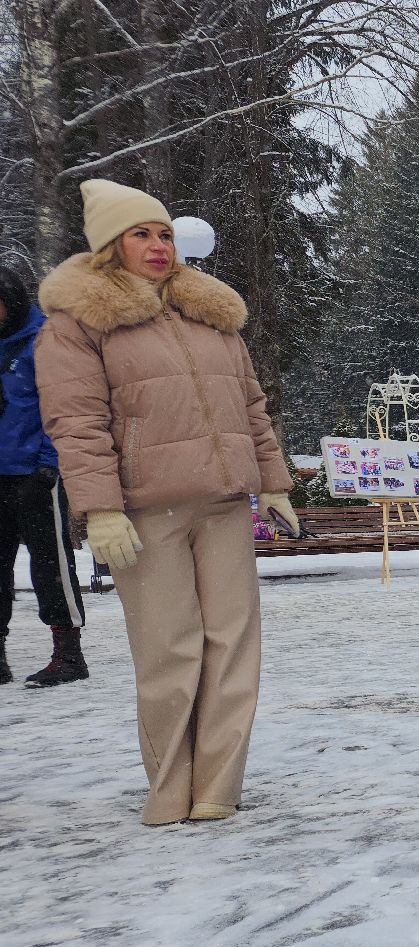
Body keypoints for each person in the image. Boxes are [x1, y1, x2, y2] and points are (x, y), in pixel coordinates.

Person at [35, 178, 296, 824]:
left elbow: (252, 406)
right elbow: (77, 423)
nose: (158, 246)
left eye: (164, 234)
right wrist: (100, 507)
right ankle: (171, 789)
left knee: (232, 646)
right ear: (109, 245)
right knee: (168, 650)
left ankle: (217, 787)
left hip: (223, 504)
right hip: (145, 510)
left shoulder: (211, 314)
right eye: (140, 234)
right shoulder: (79, 324)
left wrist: (273, 481)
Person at [0, 264, 88, 688]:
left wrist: (49, 464)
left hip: (36, 474)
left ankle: (68, 654)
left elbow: (64, 406)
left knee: (51, 565)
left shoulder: (45, 339)